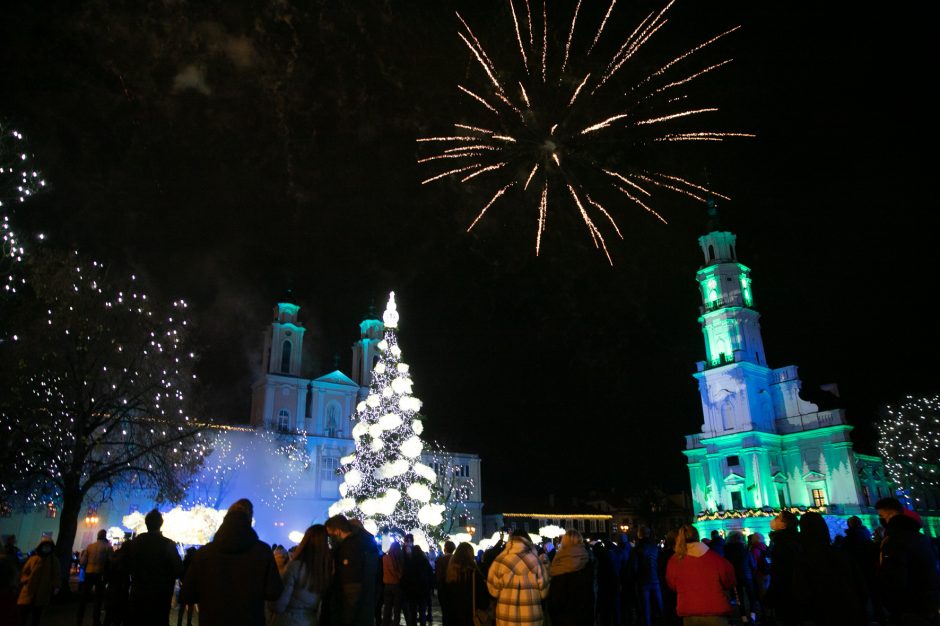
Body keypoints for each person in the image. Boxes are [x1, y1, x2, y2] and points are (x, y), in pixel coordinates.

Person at [180, 498, 284, 625]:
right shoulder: (263, 552)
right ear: (250, 521)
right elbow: (274, 592)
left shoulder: (204, 554)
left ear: (225, 519)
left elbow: (187, 594)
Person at [875, 496, 940, 624]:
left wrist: (890, 604)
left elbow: (895, 578)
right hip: (929, 600)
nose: (881, 519)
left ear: (892, 514)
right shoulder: (921, 537)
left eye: (882, 516)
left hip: (909, 606)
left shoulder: (894, 540)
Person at [122, 509, 183, 626]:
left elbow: (127, 564)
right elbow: (179, 568)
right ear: (161, 524)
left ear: (147, 523)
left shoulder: (136, 543)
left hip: (138, 595)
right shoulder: (168, 544)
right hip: (160, 597)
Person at [665, 525, 735, 626]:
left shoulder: (674, 561)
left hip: (689, 611)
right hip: (715, 611)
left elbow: (672, 584)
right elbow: (729, 581)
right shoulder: (715, 558)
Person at [271, 524, 333, 626]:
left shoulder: (295, 567)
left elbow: (279, 605)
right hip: (310, 621)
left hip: (288, 620)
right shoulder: (326, 571)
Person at [486, 529, 549, 626]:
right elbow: (544, 593)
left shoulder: (500, 561)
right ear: (528, 541)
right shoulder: (536, 561)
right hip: (531, 619)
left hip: (506, 618)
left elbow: (493, 591)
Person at [324, 514, 379, 626]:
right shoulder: (365, 542)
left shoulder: (349, 546)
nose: (330, 539)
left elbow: (351, 584)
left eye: (330, 534)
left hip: (350, 601)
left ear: (338, 531)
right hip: (366, 602)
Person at [547, 529, 593, 626]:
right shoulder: (588, 559)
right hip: (584, 615)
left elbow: (556, 598)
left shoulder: (559, 561)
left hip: (563, 617)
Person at [764, 510, 801, 625]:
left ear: (783, 525)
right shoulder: (788, 540)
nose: (773, 519)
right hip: (794, 591)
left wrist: (771, 595)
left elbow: (780, 573)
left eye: (777, 518)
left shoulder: (782, 543)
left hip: (787, 594)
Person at [17, 537, 61, 626]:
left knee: (36, 616)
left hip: (42, 592)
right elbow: (24, 572)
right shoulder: (33, 559)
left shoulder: (54, 561)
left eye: (48, 546)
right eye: (45, 546)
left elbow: (56, 575)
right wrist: (26, 580)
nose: (46, 548)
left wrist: (56, 586)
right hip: (28, 591)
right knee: (23, 616)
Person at [444, 543, 489, 626]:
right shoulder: (474, 575)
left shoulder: (450, 575)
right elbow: (484, 602)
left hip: (452, 619)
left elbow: (445, 600)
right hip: (470, 619)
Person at [76, 528, 113, 626]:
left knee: (84, 596)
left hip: (89, 572)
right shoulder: (108, 547)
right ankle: (96, 620)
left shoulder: (90, 546)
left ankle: (79, 619)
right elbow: (111, 560)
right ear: (105, 536)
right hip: (100, 573)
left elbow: (82, 561)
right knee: (98, 597)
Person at [630, 526, 663, 626]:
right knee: (660, 607)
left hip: (643, 581)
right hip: (655, 580)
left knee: (646, 609)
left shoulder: (637, 549)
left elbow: (634, 567)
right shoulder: (655, 547)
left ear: (639, 535)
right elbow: (659, 564)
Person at [401, 539, 433, 626]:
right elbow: (430, 574)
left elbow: (406, 576)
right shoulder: (425, 561)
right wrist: (430, 587)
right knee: (422, 612)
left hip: (412, 591)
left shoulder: (410, 562)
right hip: (423, 590)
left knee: (413, 612)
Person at [381, 542, 404, 626]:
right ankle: (395, 623)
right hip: (396, 585)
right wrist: (399, 575)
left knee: (387, 607)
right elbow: (395, 572)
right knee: (397, 608)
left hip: (387, 584)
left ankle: (385, 623)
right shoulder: (397, 559)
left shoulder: (385, 558)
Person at [434, 541, 455, 626]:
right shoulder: (455, 559)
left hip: (443, 588)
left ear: (445, 548)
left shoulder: (440, 559)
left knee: (445, 611)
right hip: (453, 588)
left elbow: (438, 575)